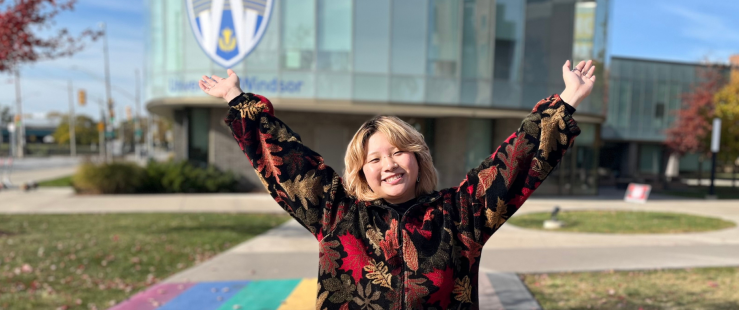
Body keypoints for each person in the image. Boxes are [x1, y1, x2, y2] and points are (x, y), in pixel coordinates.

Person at [198, 59, 596, 309]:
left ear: (418, 156)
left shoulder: (459, 215)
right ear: (360, 171)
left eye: (398, 152)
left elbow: (513, 168)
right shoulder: (336, 212)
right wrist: (238, 100)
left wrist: (565, 103)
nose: (388, 165)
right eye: (374, 158)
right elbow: (286, 162)